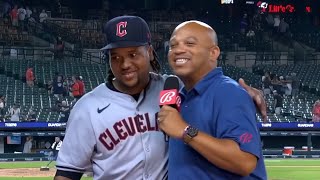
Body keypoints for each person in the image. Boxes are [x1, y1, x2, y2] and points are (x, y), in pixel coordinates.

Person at [54, 16, 267, 180]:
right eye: (115, 57)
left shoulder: (174, 88)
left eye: (133, 54)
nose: (125, 64)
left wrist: (241, 93)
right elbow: (67, 173)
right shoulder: (87, 108)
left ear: (150, 52)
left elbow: (210, 82)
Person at [157, 21, 267, 179]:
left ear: (213, 52)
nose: (178, 50)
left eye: (190, 43)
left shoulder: (229, 92)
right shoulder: (178, 96)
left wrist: (185, 130)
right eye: (173, 45)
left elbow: (244, 161)